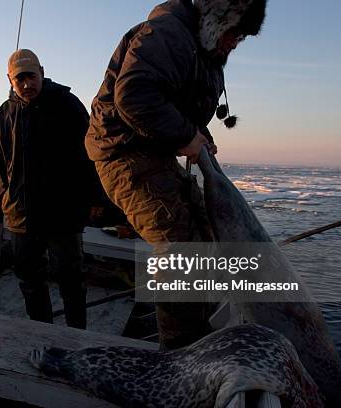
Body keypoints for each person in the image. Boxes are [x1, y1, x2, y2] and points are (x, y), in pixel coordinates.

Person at [85, 0, 267, 349]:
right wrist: (186, 136)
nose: (234, 43)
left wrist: (200, 136)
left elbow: (179, 103)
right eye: (233, 33)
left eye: (241, 38)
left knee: (208, 228)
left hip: (156, 152)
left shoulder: (204, 51)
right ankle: (179, 351)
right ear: (216, 21)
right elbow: (134, 95)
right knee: (181, 247)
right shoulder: (168, 34)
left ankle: (201, 329)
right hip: (121, 154)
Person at [0, 49, 97, 329]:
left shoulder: (68, 104)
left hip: (63, 212)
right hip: (21, 214)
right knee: (30, 280)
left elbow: (91, 157)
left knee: (70, 279)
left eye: (31, 77)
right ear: (9, 79)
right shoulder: (5, 113)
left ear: (42, 72)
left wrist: (97, 199)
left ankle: (76, 336)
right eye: (18, 79)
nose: (26, 84)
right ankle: (41, 334)